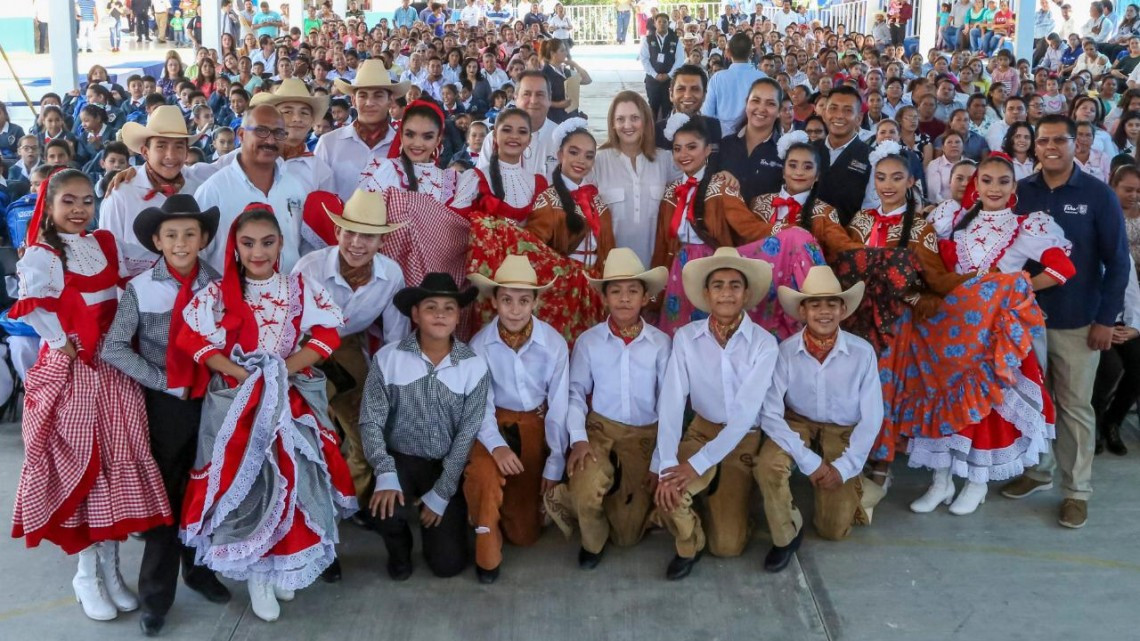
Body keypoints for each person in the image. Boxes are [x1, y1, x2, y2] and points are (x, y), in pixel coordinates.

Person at [177, 206, 355, 623]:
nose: (258, 252)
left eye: (267, 242)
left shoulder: (298, 287)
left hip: (289, 396)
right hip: (238, 402)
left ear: (281, 244)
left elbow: (328, 333)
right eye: (248, 243)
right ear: (235, 247)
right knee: (251, 483)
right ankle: (258, 573)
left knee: (295, 480)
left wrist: (284, 368)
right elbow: (193, 339)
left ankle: (281, 564)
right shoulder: (219, 294)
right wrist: (242, 373)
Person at [10, 169, 171, 621]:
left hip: (114, 367)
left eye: (87, 200)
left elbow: (132, 278)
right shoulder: (42, 255)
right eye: (69, 201)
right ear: (49, 206)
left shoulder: (103, 242)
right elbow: (35, 307)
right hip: (76, 370)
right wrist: (60, 341)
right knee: (84, 462)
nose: (79, 209)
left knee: (116, 462)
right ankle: (86, 573)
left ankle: (110, 568)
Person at [894, 155, 1074, 516]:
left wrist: (1013, 288)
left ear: (1014, 186)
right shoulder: (952, 220)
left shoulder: (1026, 226)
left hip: (993, 332)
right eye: (987, 180)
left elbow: (1062, 268)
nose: (994, 188)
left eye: (1003, 181)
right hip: (947, 331)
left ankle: (976, 483)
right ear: (976, 184)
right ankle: (941, 481)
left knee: (984, 408)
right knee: (943, 400)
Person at [100, 195, 231, 636]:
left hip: (211, 402)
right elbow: (114, 347)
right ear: (157, 241)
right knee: (166, 495)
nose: (180, 243)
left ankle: (200, 571)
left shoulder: (219, 285)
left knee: (205, 488)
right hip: (166, 405)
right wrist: (163, 382)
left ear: (204, 239)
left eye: (190, 234)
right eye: (171, 235)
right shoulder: (141, 288)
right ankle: (156, 595)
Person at [1004, 115, 1131, 529]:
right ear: (1035, 147)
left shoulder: (1098, 194)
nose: (1051, 147)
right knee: (1034, 401)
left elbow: (1118, 262)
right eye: (1044, 140)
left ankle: (1076, 490)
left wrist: (1106, 319)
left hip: (1078, 321)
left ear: (1077, 144)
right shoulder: (1021, 192)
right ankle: (1038, 471)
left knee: (1074, 406)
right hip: (1025, 322)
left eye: (1060, 139)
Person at [292, 189, 410, 547]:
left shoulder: (391, 275)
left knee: (366, 431)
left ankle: (350, 502)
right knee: (307, 429)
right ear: (337, 233)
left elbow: (394, 339)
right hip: (304, 347)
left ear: (382, 241)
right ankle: (306, 513)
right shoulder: (309, 267)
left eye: (368, 236)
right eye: (351, 233)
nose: (357, 243)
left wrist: (386, 390)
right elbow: (289, 326)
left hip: (346, 347)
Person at [652, 246, 777, 580]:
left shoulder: (764, 343)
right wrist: (667, 462)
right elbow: (672, 401)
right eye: (718, 285)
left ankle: (733, 501)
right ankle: (689, 543)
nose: (726, 293)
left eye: (735, 285)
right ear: (706, 294)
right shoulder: (686, 338)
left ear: (746, 293)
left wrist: (695, 465)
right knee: (670, 490)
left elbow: (744, 416)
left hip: (743, 439)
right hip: (702, 430)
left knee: (727, 547)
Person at [543, 248, 671, 569]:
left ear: (645, 297)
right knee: (586, 487)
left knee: (627, 536)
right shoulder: (589, 341)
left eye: (633, 291)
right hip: (599, 430)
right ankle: (592, 539)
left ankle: (587, 499)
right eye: (616, 291)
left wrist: (660, 459)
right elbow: (575, 393)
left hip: (643, 435)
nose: (624, 298)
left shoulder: (661, 343)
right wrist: (578, 439)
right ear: (604, 297)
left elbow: (669, 404)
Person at [359, 272, 490, 581]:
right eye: (431, 307)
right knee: (385, 509)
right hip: (400, 459)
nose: (440, 315)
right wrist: (384, 471)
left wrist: (443, 490)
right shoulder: (388, 358)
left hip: (445, 464)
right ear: (416, 314)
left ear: (458, 316)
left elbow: (468, 433)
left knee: (448, 566)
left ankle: (440, 520)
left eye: (449, 308)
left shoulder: (473, 365)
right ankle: (399, 550)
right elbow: (370, 419)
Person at [757, 266, 882, 572]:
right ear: (803, 311)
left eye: (831, 304)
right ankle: (785, 534)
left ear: (843, 309)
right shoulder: (786, 351)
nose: (824, 312)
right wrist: (810, 462)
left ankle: (860, 486)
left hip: (842, 428)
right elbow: (769, 412)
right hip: (798, 421)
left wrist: (844, 467)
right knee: (767, 465)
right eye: (815, 304)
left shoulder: (862, 353)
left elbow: (872, 417)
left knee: (833, 531)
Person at [463, 255, 569, 584]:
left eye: (524, 301)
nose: (514, 310)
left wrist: (555, 463)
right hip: (492, 421)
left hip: (535, 423)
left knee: (524, 534)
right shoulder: (480, 345)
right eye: (506, 300)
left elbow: (559, 406)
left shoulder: (553, 343)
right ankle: (486, 543)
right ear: (494, 301)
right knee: (484, 474)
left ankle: (508, 509)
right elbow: (480, 404)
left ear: (536, 302)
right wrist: (496, 446)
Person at [357, 100, 470, 297]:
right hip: (387, 283)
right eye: (410, 134)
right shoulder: (385, 170)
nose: (417, 144)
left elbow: (456, 240)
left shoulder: (453, 181)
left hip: (438, 288)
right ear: (400, 135)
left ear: (439, 139)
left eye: (427, 136)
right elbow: (362, 225)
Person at [519, 119, 616, 342]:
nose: (581, 160)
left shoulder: (596, 199)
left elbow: (608, 247)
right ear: (560, 154)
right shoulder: (548, 200)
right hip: (562, 290)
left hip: (595, 288)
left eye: (589, 156)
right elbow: (533, 251)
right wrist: (567, 274)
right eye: (574, 152)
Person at [650, 114, 744, 335]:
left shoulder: (722, 186)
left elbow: (747, 229)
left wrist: (785, 233)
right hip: (678, 266)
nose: (683, 154)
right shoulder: (671, 191)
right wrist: (655, 288)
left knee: (711, 328)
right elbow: (662, 242)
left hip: (713, 267)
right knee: (678, 326)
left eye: (691, 147)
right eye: (677, 149)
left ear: (707, 149)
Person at [195, 104, 306, 274]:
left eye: (278, 133)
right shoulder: (213, 191)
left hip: (289, 288)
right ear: (241, 135)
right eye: (261, 131)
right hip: (228, 290)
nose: (270, 141)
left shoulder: (295, 187)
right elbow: (197, 255)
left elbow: (302, 245)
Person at [100, 106, 211, 276]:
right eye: (161, 146)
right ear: (145, 152)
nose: (170, 155)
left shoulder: (200, 185)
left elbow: (235, 161)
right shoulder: (121, 195)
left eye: (179, 147)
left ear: (187, 152)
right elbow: (107, 254)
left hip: (194, 287)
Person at [594, 92, 676, 266]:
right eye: (620, 119)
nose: (627, 125)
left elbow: (694, 177)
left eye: (634, 118)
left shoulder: (665, 159)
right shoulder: (597, 160)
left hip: (654, 267)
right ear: (612, 124)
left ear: (645, 121)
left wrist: (723, 174)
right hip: (610, 268)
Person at [1092, 165, 1140, 455]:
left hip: (1122, 321)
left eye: (1138, 191)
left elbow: (1131, 288)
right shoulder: (1091, 237)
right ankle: (1094, 423)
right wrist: (1103, 323)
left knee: (1138, 367)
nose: (1134, 196)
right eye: (1128, 189)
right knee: (1110, 368)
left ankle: (1113, 421)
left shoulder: (1121, 246)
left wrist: (1134, 326)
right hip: (1096, 320)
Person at [315, 60, 412, 200]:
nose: (369, 103)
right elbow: (316, 195)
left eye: (378, 95)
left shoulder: (404, 146)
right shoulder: (328, 143)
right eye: (363, 95)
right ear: (353, 100)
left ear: (390, 101)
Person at [248, 78, 337, 201]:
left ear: (312, 121)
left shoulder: (321, 172)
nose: (297, 119)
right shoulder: (244, 159)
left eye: (304, 113)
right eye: (287, 112)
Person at [815, 87, 873, 225]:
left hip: (849, 235)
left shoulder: (872, 158)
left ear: (859, 118)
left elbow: (871, 209)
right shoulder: (809, 150)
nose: (839, 115)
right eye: (833, 108)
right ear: (824, 114)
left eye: (848, 110)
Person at [702, 34, 766, 137]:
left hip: (722, 137)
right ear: (751, 53)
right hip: (754, 136)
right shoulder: (762, 78)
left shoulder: (717, 78)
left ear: (728, 52)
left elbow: (707, 114)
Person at [653, 65, 722, 150]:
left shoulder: (713, 127)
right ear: (671, 94)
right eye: (681, 89)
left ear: (704, 95)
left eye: (695, 89)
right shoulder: (655, 131)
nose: (687, 95)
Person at [641, 13, 684, 121]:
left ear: (668, 23)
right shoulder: (648, 39)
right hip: (652, 80)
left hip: (669, 80)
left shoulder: (675, 39)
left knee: (668, 107)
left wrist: (669, 75)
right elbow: (644, 59)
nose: (662, 24)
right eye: (659, 21)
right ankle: (652, 130)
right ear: (655, 23)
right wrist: (655, 75)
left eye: (664, 22)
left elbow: (679, 60)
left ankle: (666, 130)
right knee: (652, 108)